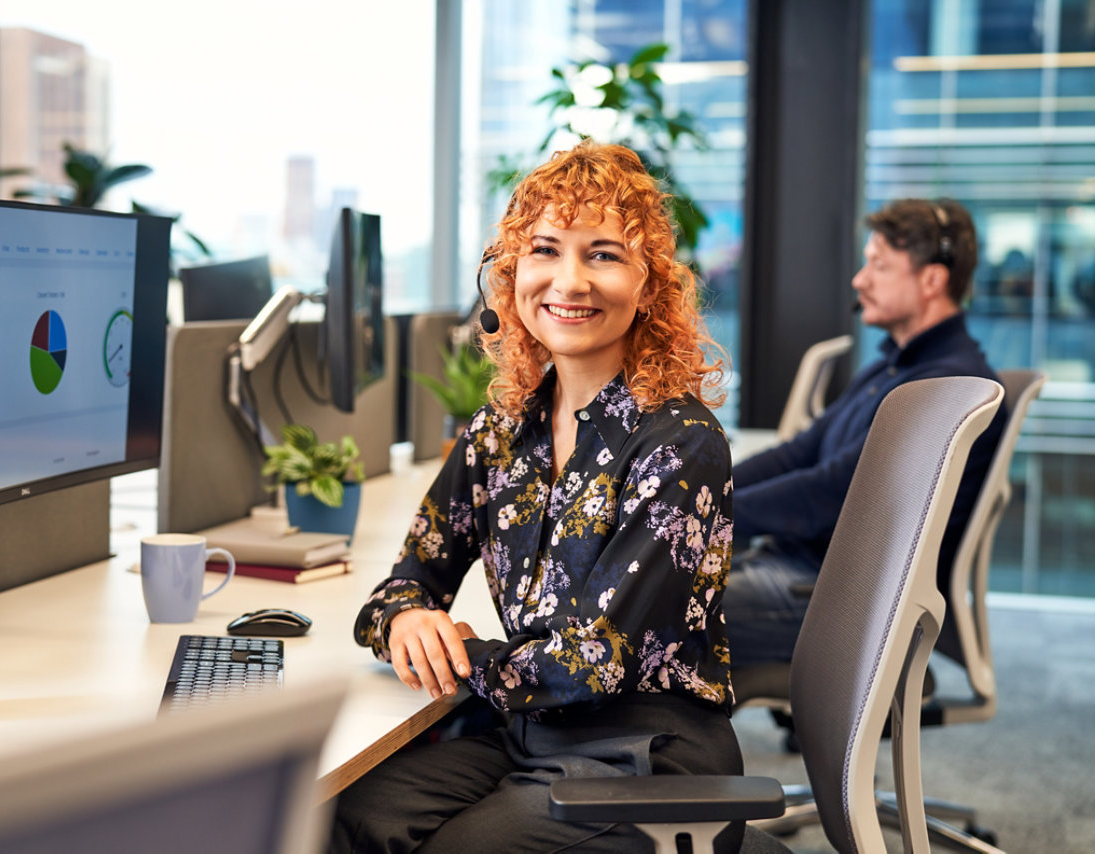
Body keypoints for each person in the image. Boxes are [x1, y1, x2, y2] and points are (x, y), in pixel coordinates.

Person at [331, 141, 742, 853]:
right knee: (349, 815)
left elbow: (591, 661)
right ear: (512, 273)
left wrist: (461, 651)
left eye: (604, 254)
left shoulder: (679, 443)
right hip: (526, 729)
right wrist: (405, 622)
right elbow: (403, 582)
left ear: (649, 284)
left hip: (645, 757)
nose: (570, 281)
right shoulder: (500, 430)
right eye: (546, 250)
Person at [725, 197, 1006, 669]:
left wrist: (709, 518)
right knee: (655, 582)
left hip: (840, 600)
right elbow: (801, 453)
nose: (860, 279)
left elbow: (836, 493)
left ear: (933, 279)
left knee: (654, 606)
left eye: (878, 265)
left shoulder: (946, 389)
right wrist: (708, 492)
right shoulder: (893, 366)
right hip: (807, 573)